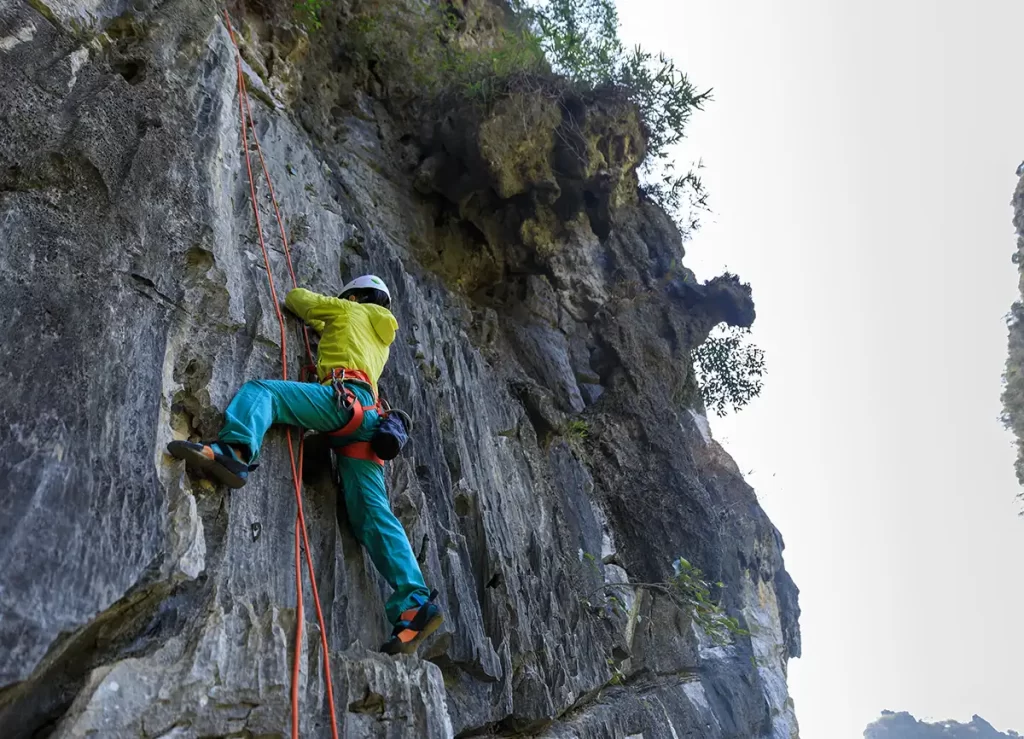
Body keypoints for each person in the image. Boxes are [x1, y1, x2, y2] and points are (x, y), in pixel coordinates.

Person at [167, 274, 443, 655]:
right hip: (369, 421)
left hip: (340, 402)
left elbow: (299, 300)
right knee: (375, 514)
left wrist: (328, 312)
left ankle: (236, 451)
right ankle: (415, 602)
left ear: (357, 296)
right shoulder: (382, 340)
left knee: (263, 392)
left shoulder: (349, 309)